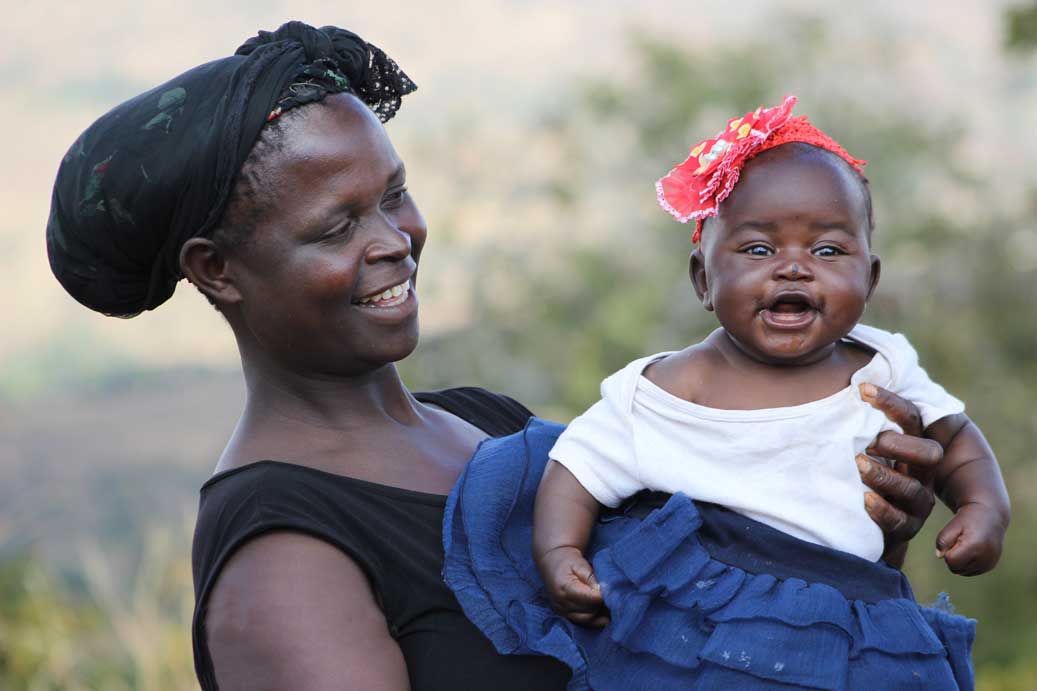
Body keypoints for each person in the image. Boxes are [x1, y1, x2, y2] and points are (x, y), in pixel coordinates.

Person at [46, 24, 952, 691]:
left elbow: (719, 636)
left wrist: (858, 531)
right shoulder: (285, 555)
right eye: (335, 225)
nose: (394, 239)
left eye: (393, 193)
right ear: (218, 270)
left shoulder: (491, 426)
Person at [443, 97, 1009, 690]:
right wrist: (560, 553)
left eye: (828, 250)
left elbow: (957, 439)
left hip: (856, 617)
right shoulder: (669, 387)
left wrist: (983, 510)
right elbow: (577, 466)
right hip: (710, 616)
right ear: (703, 280)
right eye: (759, 249)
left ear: (869, 278)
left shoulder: (885, 363)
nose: (794, 268)